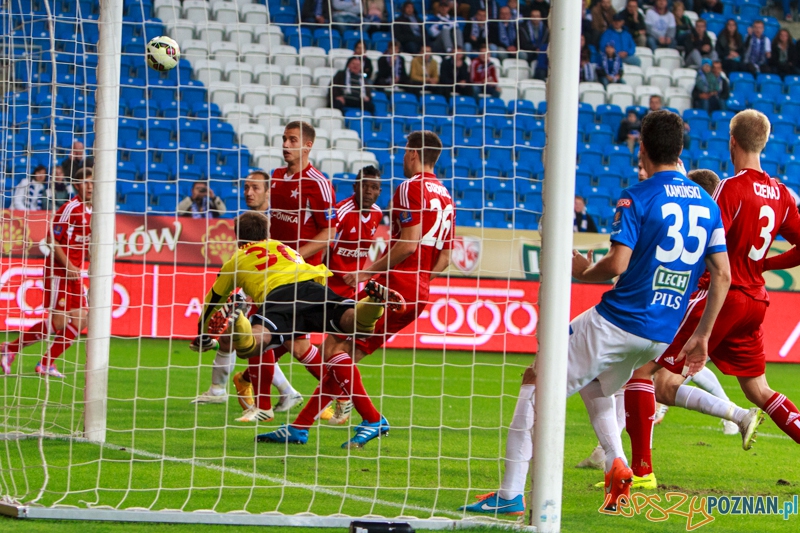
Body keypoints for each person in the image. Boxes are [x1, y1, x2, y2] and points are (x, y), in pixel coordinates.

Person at [458, 110, 731, 516]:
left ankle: (510, 492)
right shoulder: (708, 205)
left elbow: (617, 263)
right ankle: (616, 464)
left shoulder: (636, 196)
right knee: (596, 385)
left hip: (617, 322)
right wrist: (702, 335)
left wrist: (583, 270)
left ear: (641, 148)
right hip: (660, 334)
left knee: (536, 379)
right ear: (680, 149)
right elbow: (723, 274)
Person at [623, 110, 800, 492]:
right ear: (764, 142)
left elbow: (706, 241)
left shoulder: (730, 189)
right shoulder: (784, 195)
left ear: (732, 142)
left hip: (721, 298)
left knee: (644, 373)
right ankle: (737, 416)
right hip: (755, 301)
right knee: (759, 390)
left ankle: (642, 473)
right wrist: (765, 263)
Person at [258, 130, 455, 449]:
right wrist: (417, 281)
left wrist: (367, 272)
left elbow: (407, 245)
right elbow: (445, 258)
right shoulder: (446, 196)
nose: (403, 157)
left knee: (334, 352)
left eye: (405, 150)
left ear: (414, 154)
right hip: (419, 291)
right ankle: (299, 426)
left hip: (393, 287)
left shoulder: (410, 187)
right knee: (341, 355)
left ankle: (373, 419)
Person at [189, 212, 402, 430]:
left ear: (238, 238)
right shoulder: (284, 248)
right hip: (312, 285)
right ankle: (373, 301)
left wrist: (203, 334)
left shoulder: (235, 261)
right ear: (267, 233)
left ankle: (239, 319)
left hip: (278, 296)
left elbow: (212, 302)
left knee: (252, 345)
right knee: (355, 324)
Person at [191, 170, 303, 419]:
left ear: (268, 191)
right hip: (253, 286)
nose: (249, 192)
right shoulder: (247, 219)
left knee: (262, 343)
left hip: (274, 292)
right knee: (230, 337)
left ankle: (288, 393)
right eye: (246, 187)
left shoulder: (277, 221)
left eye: (255, 188)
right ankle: (217, 390)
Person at [2, 168, 95, 377]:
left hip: (74, 274)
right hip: (59, 272)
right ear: (77, 185)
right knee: (59, 323)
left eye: (92, 182)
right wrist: (69, 266)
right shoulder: (70, 209)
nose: (90, 186)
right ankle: (10, 348)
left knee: (82, 320)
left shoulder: (95, 211)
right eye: (85, 182)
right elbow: (51, 240)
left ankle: (46, 363)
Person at [320, 165, 384, 425]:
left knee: (331, 350)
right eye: (365, 185)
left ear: (379, 191)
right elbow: (325, 247)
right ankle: (340, 399)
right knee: (318, 349)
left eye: (374, 187)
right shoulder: (342, 211)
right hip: (326, 287)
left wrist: (362, 275)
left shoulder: (378, 214)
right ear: (356, 186)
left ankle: (343, 401)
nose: (369, 191)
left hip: (348, 292)